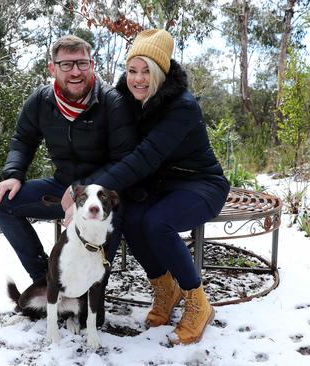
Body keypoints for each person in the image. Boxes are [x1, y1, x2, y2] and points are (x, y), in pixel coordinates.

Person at [91, 29, 230, 345]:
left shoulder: (182, 106)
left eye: (147, 71)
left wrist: (93, 192)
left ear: (162, 73)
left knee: (157, 222)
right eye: (132, 70)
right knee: (132, 219)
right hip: (162, 185)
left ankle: (198, 302)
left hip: (201, 183)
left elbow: (144, 157)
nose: (139, 79)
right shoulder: (126, 102)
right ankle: (166, 289)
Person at [0, 35, 136, 323]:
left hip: (102, 193)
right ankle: (47, 277)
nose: (75, 71)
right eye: (66, 64)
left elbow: (124, 160)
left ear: (92, 65)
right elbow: (22, 140)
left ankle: (94, 287)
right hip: (60, 188)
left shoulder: (112, 102)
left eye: (82, 63)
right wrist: (13, 174)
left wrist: (80, 192)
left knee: (92, 318)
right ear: (52, 68)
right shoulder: (41, 101)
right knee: (1, 203)